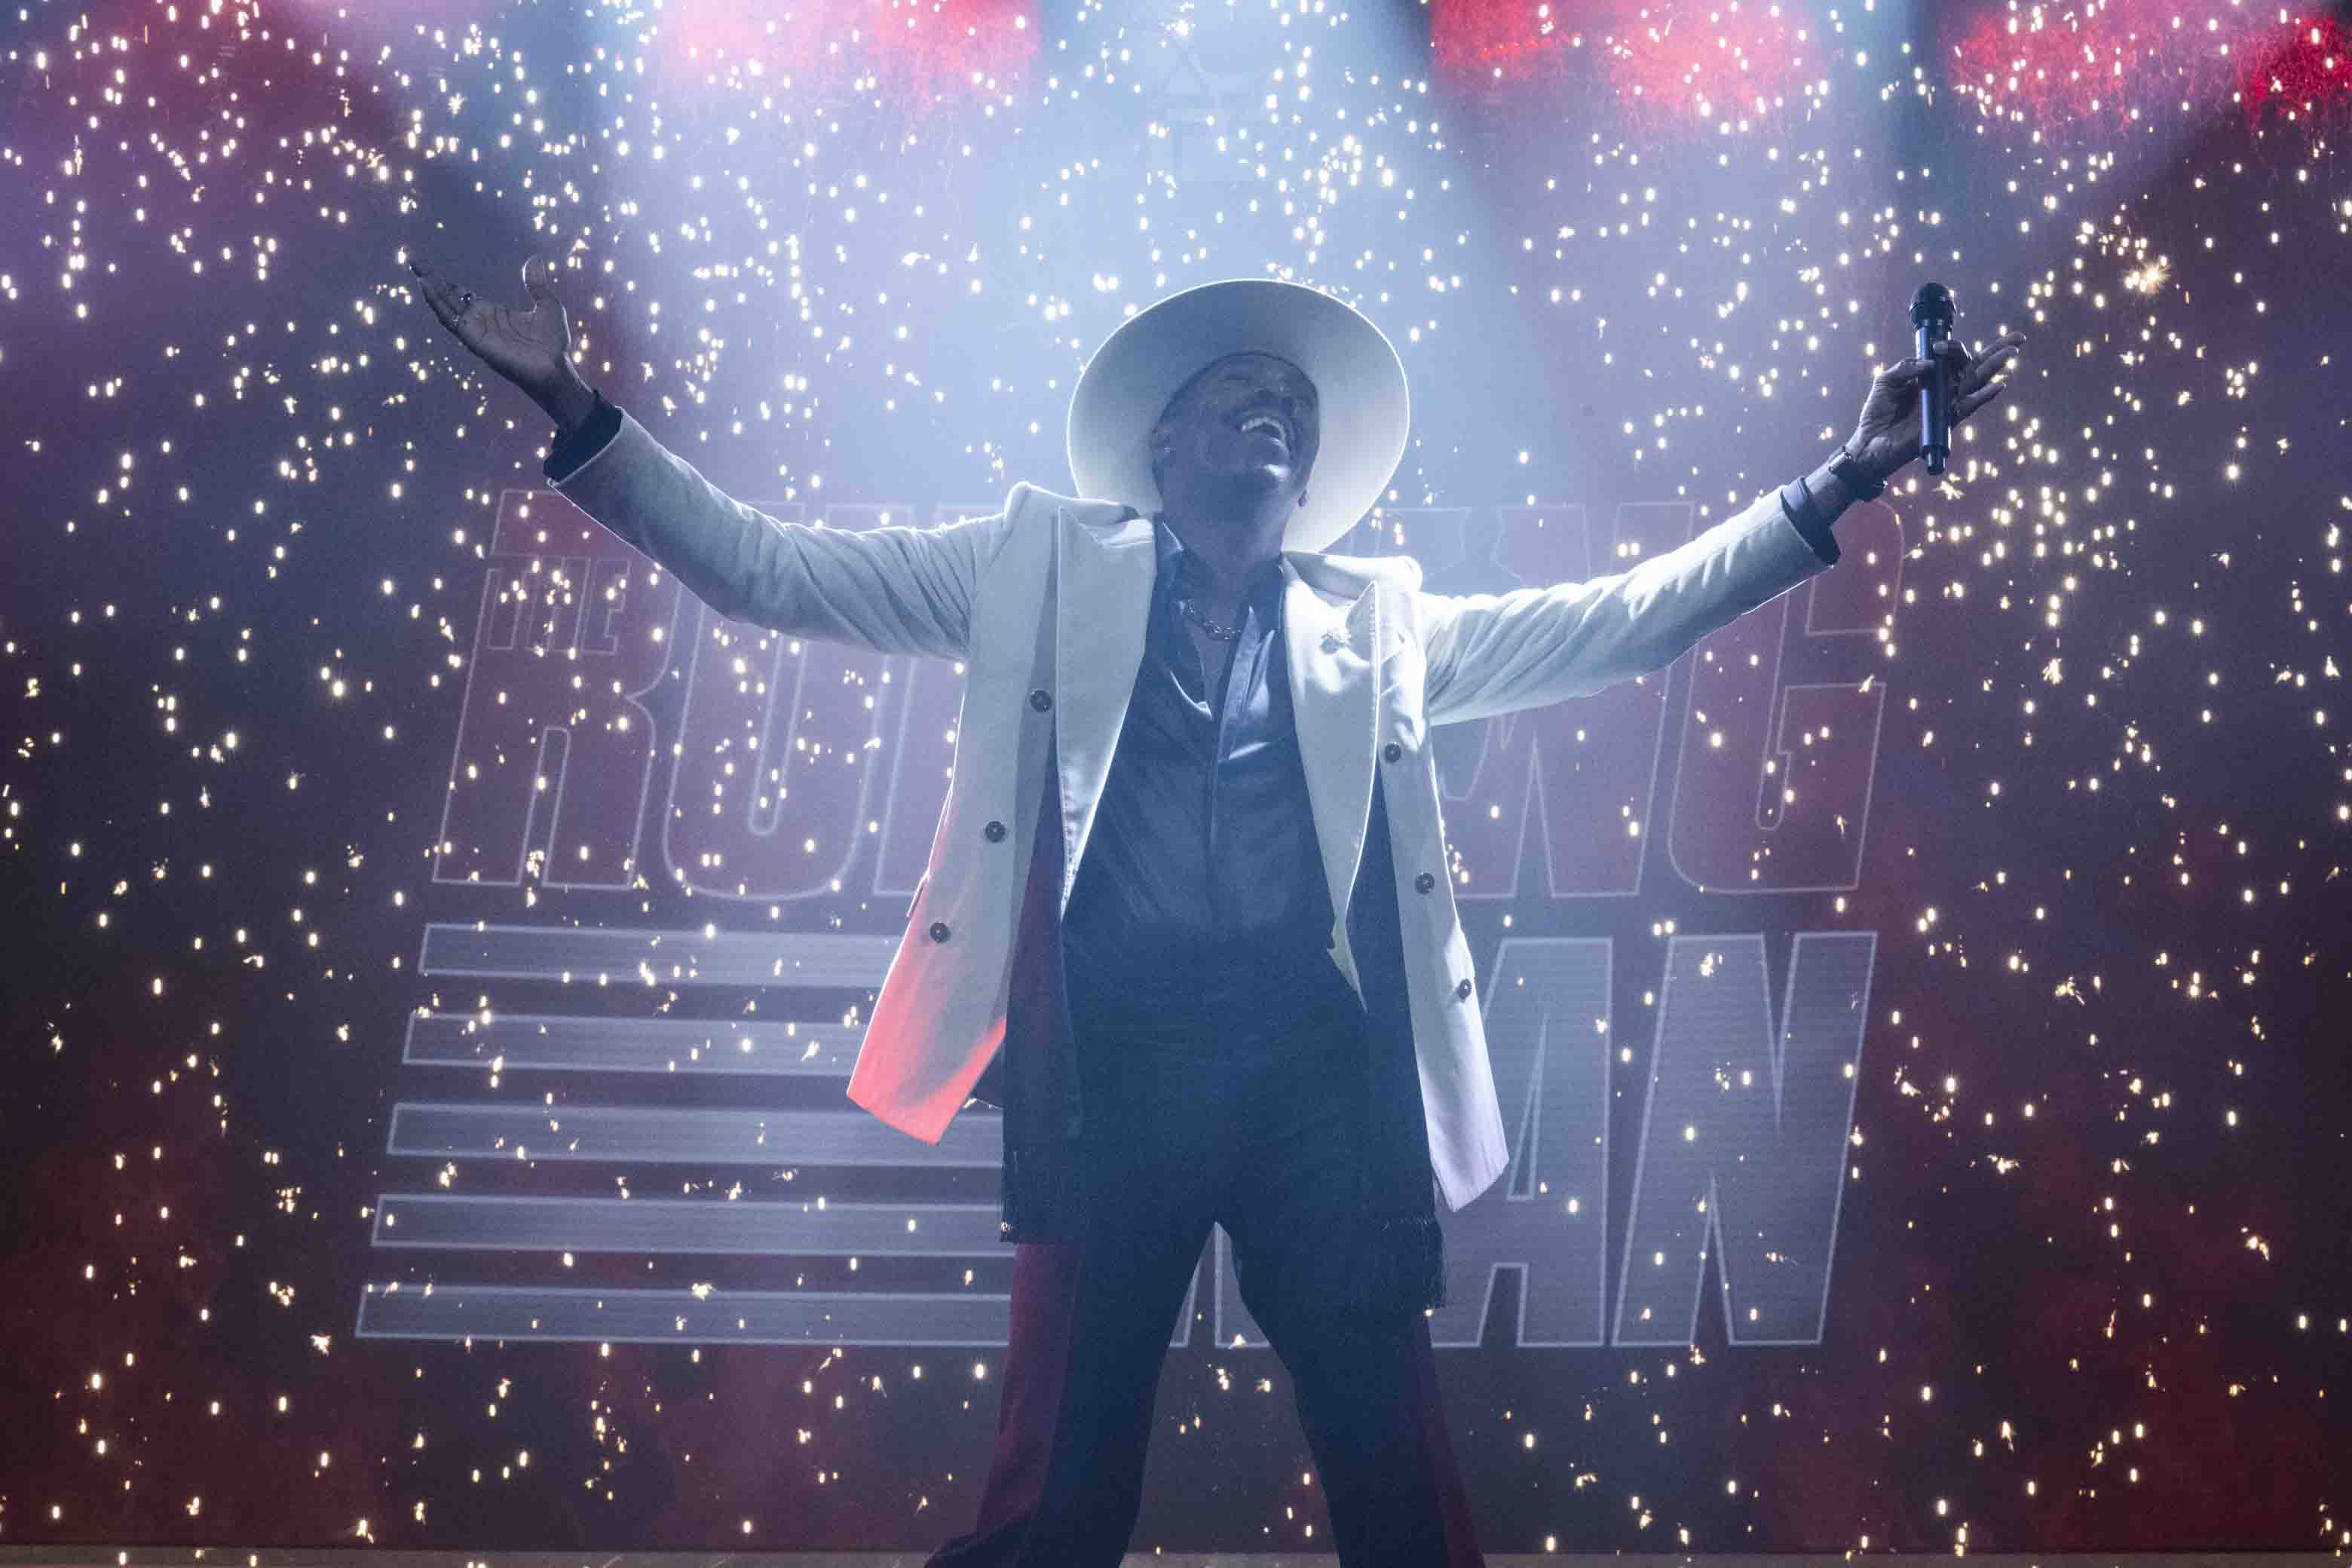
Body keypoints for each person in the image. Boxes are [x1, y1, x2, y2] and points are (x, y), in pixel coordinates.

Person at [406, 251, 2022, 1566]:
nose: (1281, 421)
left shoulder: (1377, 621)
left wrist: (1843, 479)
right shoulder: (1038, 566)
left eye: (1297, 413)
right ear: (1166, 446)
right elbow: (768, 570)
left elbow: (1624, 623)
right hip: (1114, 1069)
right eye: (1248, 397)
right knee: (1059, 1486)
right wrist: (576, 407)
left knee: (1395, 1471)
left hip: (1317, 1078)